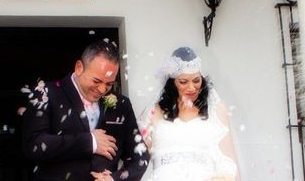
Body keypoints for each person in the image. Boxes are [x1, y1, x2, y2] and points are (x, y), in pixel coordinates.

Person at [23, 40, 149, 181]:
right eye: (96, 81)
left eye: (109, 84)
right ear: (78, 68)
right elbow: (33, 144)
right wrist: (90, 142)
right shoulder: (46, 94)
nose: (102, 90)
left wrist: (114, 179)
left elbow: (140, 156)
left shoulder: (122, 104)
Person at [141, 47, 240, 181]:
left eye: (196, 80)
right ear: (172, 82)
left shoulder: (215, 109)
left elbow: (228, 159)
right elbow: (138, 156)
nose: (192, 88)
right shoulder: (154, 111)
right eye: (183, 82)